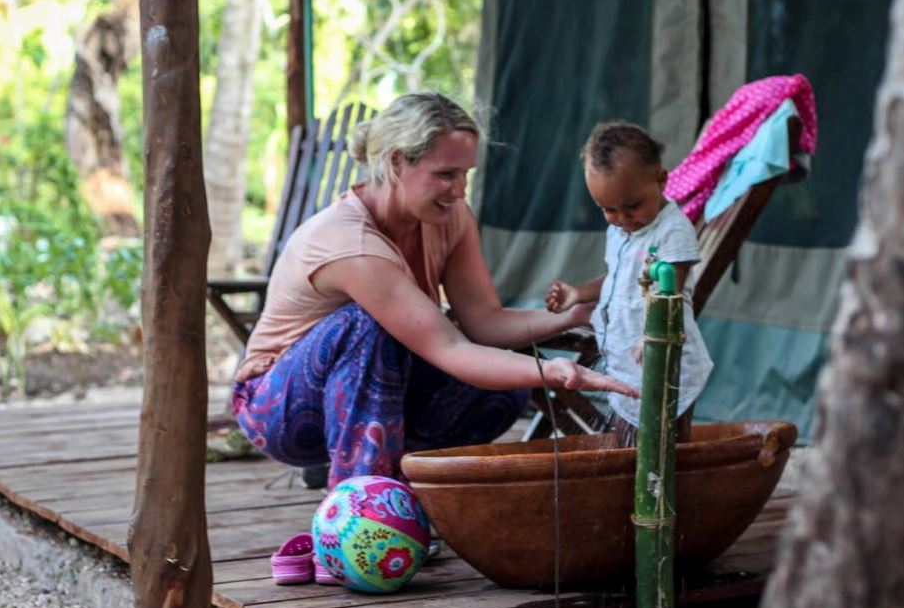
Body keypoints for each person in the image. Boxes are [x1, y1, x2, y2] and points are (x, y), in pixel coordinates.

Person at [231, 92, 636, 490]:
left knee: (508, 383)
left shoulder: (449, 217)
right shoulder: (351, 244)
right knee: (366, 327)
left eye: (466, 175)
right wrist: (553, 371)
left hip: (374, 395)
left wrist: (574, 315)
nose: (460, 190)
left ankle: (408, 481)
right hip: (279, 409)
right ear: (395, 162)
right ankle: (364, 509)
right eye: (446, 174)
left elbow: (484, 323)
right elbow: (452, 350)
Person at [545, 122, 713, 447]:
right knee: (630, 450)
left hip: (664, 366)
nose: (623, 219)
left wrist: (654, 333)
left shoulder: (672, 231)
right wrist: (578, 293)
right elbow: (619, 278)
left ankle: (678, 498)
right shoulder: (621, 230)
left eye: (633, 205)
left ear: (661, 180)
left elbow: (671, 291)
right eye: (609, 210)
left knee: (665, 455)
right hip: (628, 369)